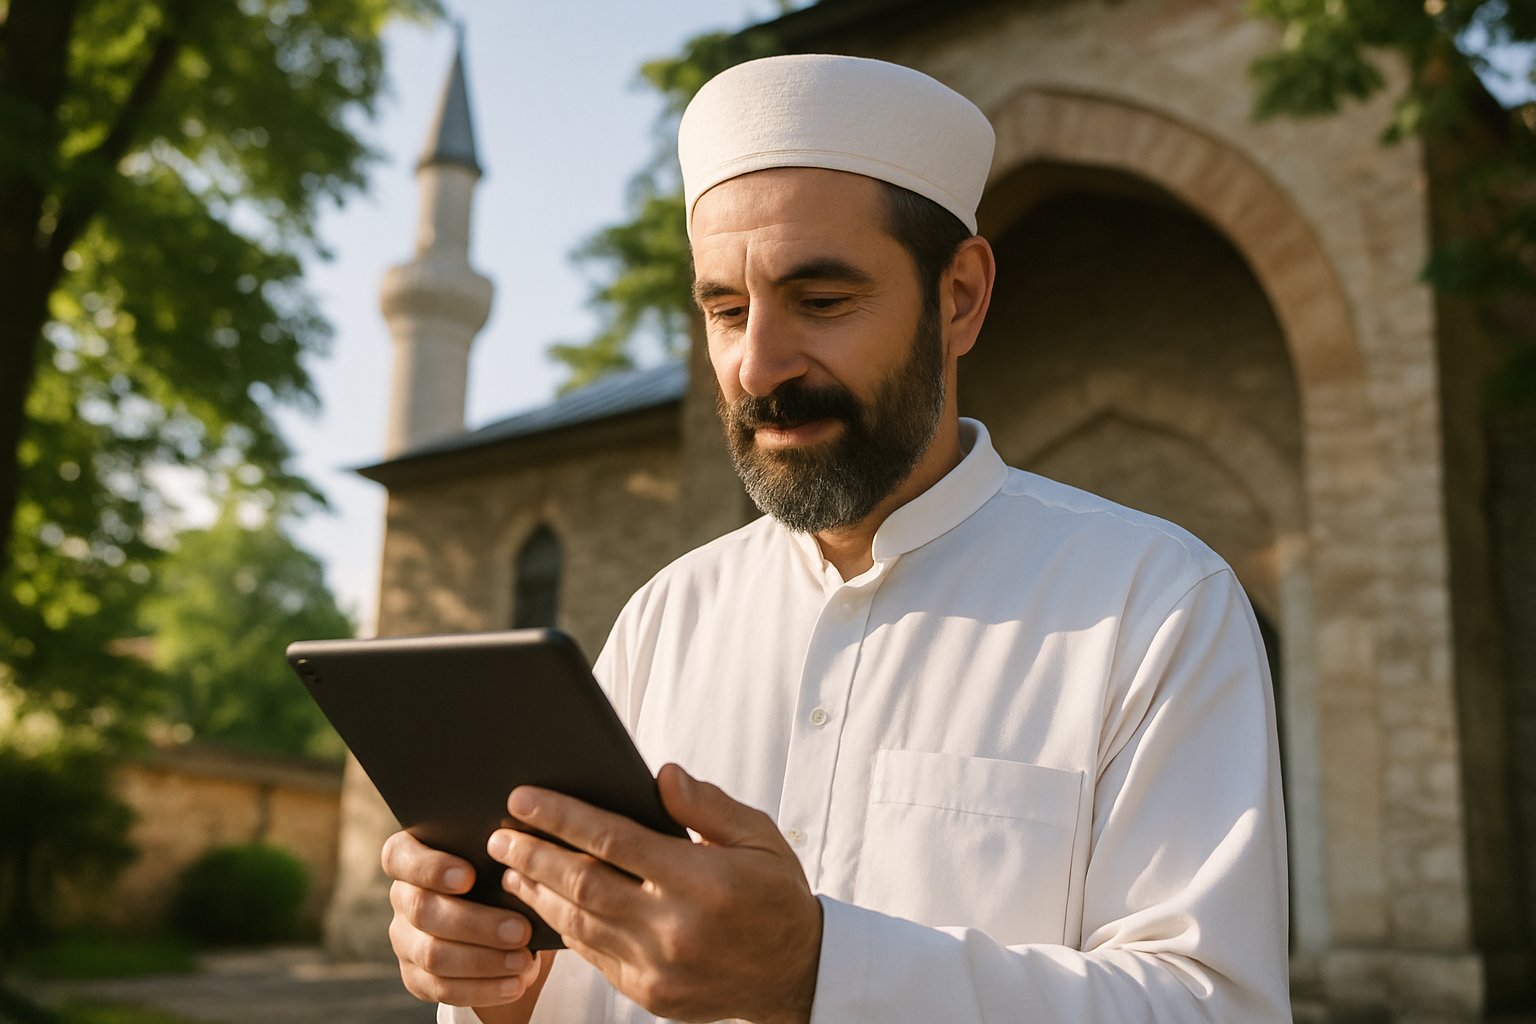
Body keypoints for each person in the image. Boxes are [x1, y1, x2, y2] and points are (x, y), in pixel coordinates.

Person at [382, 54, 1292, 1023]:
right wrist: (497, 982)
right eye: (726, 310)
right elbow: (587, 992)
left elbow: (1212, 1007)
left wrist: (817, 971)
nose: (759, 365)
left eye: (820, 302)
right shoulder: (664, 620)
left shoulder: (1154, 605)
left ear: (961, 299)